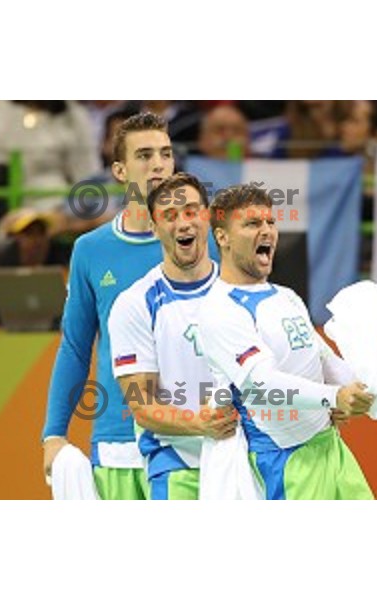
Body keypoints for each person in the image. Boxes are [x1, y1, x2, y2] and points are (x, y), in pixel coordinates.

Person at [198, 184, 377, 500]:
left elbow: (328, 365)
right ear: (222, 237)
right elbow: (260, 386)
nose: (267, 231)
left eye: (270, 222)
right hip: (284, 462)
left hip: (331, 448)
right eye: (252, 224)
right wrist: (334, 398)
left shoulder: (286, 297)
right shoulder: (219, 309)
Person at [41, 112, 176, 500]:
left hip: (194, 435)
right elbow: (75, 346)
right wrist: (54, 433)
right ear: (119, 170)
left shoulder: (207, 244)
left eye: (166, 154)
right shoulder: (91, 250)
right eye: (145, 155)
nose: (159, 164)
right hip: (117, 442)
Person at [107, 173, 236, 500]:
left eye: (192, 211)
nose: (183, 223)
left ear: (208, 218)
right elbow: (143, 406)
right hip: (178, 465)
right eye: (169, 215)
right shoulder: (134, 305)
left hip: (244, 458)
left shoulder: (244, 292)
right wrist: (200, 424)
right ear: (154, 227)